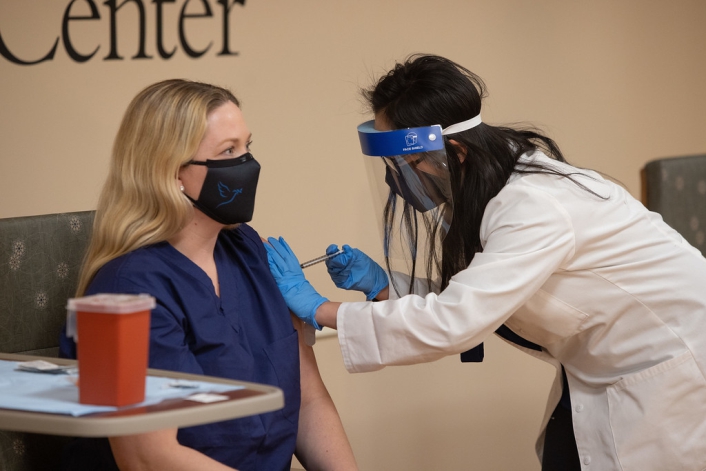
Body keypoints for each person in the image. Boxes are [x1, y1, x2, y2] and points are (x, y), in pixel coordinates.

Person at [264, 54, 706, 471]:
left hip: (667, 376)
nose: (397, 180)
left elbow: (456, 321)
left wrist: (319, 308)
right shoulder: (489, 186)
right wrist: (384, 286)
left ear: (455, 152)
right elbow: (480, 293)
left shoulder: (535, 206)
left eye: (408, 162)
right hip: (602, 370)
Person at [58, 79, 358, 471]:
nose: (248, 164)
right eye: (228, 151)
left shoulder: (248, 249)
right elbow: (146, 458)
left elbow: (309, 399)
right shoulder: (117, 293)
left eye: (248, 146)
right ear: (171, 172)